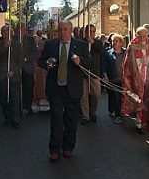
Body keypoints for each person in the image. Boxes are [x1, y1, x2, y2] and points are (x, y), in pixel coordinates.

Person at [38, 20, 91, 162]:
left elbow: (89, 63)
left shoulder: (81, 45)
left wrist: (80, 61)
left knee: (71, 120)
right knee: (56, 119)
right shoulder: (51, 45)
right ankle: (54, 150)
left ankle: (68, 147)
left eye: (65, 29)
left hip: (72, 89)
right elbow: (41, 61)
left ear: (71, 30)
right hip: (56, 89)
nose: (62, 32)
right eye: (60, 30)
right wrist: (47, 63)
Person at [122, 25, 149, 133]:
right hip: (137, 75)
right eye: (140, 36)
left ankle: (148, 122)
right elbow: (128, 62)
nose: (142, 39)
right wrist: (140, 60)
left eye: (144, 36)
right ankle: (140, 123)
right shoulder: (132, 46)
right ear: (136, 35)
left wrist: (148, 59)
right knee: (139, 97)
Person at [0, 24, 24, 128]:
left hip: (13, 76)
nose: (7, 34)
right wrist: (5, 47)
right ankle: (7, 117)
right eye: (5, 32)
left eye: (9, 32)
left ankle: (15, 117)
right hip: (1, 75)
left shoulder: (18, 45)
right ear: (2, 34)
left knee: (14, 97)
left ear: (12, 33)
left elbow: (20, 61)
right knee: (3, 97)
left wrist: (13, 71)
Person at [80, 24, 105, 124]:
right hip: (83, 72)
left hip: (94, 72)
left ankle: (92, 111)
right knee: (84, 95)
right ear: (86, 32)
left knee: (96, 93)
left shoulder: (98, 43)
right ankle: (85, 116)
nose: (91, 33)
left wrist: (93, 43)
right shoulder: (81, 42)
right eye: (89, 31)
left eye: (93, 31)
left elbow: (103, 51)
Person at [101, 33, 126, 124]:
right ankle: (113, 112)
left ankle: (119, 114)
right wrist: (105, 75)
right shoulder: (108, 53)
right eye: (113, 41)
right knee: (113, 96)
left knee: (119, 97)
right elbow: (103, 65)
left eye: (116, 41)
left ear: (121, 43)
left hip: (122, 79)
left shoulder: (125, 53)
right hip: (112, 79)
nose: (114, 43)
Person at [14, 22, 38, 116]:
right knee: (17, 89)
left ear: (25, 28)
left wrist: (26, 58)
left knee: (28, 87)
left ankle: (28, 106)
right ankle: (18, 107)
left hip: (27, 67)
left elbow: (34, 52)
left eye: (22, 26)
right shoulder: (13, 38)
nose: (20, 28)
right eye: (19, 26)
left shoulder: (30, 39)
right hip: (16, 68)